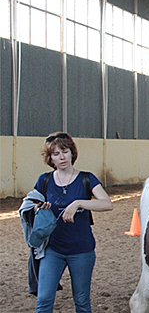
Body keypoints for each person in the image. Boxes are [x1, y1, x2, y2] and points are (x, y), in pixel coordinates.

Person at [20, 132, 113, 313]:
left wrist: (78, 203)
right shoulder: (44, 180)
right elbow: (30, 204)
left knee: (81, 301)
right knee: (44, 300)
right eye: (56, 154)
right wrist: (39, 209)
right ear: (51, 159)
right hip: (53, 249)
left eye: (65, 151)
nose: (61, 157)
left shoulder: (87, 178)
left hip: (82, 250)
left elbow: (107, 204)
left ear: (72, 153)